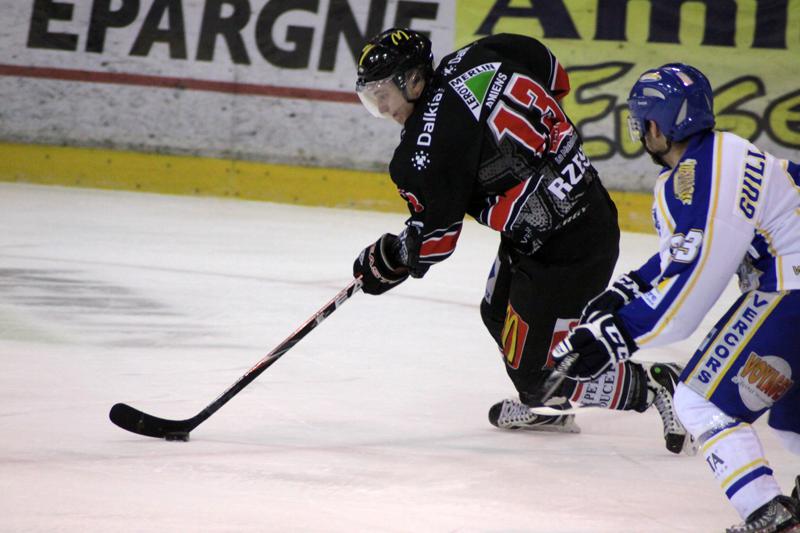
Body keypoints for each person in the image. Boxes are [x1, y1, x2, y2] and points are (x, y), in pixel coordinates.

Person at [350, 27, 691, 453]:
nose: (382, 107)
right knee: (497, 313)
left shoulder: (423, 150)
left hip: (569, 252)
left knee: (539, 375)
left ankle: (654, 383)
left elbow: (435, 241)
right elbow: (555, 76)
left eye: (384, 94)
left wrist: (390, 257)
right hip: (570, 215)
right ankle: (551, 408)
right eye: (373, 97)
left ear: (415, 80)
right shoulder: (487, 51)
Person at [549, 63, 800, 531]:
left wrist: (616, 336)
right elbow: (680, 255)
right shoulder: (702, 166)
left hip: (793, 284)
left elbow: (693, 286)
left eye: (641, 121)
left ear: (657, 125)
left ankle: (767, 514)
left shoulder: (711, 172)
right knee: (791, 419)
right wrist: (623, 293)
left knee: (700, 400)